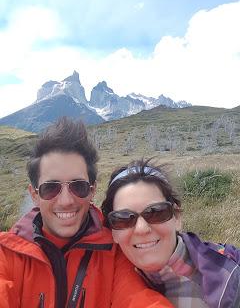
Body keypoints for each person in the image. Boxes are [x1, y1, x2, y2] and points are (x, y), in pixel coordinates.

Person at [0, 119, 173, 308]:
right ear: (34, 195)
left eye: (78, 186)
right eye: (51, 188)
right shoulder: (6, 254)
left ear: (92, 190)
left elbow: (139, 299)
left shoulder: (114, 251)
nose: (66, 201)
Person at [101, 158, 240, 308]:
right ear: (113, 231)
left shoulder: (230, 281)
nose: (142, 229)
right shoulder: (106, 277)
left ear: (177, 217)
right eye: (124, 219)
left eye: (156, 212)